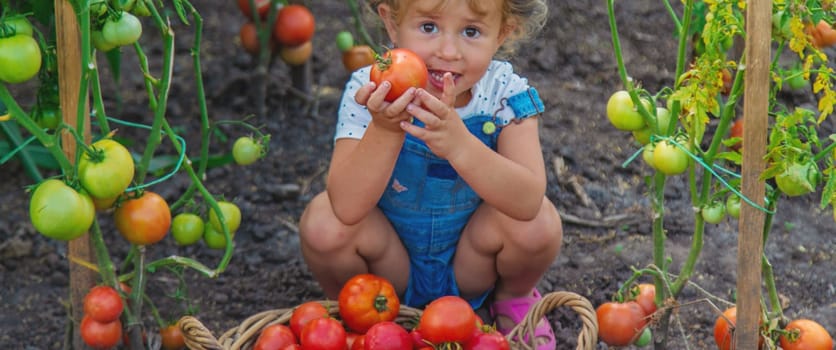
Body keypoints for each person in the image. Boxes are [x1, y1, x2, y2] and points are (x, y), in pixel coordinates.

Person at [298, 0, 562, 347]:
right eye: (428, 27)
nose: (448, 51)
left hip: (473, 263)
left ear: (502, 33)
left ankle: (510, 298)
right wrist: (386, 128)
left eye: (471, 31)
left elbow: (527, 201)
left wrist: (460, 146)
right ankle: (356, 314)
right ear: (392, 24)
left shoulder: (504, 95)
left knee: (540, 223)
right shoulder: (371, 92)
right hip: (389, 268)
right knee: (322, 224)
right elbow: (345, 207)